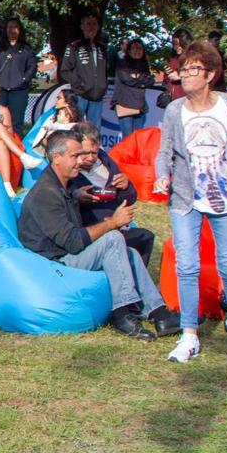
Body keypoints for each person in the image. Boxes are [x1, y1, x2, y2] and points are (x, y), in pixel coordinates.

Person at [154, 39, 227, 362]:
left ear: (210, 75)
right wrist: (162, 175)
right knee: (187, 265)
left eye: (193, 69)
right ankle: (189, 335)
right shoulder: (175, 110)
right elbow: (165, 150)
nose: (186, 75)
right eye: (184, 69)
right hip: (185, 197)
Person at [19, 130, 173, 341]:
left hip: (65, 254)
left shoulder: (61, 185)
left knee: (130, 252)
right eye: (75, 156)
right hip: (54, 264)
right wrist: (112, 223)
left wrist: (78, 197)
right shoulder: (46, 193)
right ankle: (122, 312)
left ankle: (159, 313)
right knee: (113, 239)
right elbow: (73, 242)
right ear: (56, 158)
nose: (80, 161)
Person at [66, 122, 166, 280]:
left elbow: (130, 198)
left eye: (94, 152)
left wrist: (126, 187)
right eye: (85, 153)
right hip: (92, 229)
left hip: (117, 224)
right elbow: (62, 200)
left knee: (145, 236)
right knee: (119, 240)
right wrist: (77, 196)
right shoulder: (69, 169)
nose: (90, 158)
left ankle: (135, 281)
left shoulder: (105, 162)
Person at [60, 13, 113, 127]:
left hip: (97, 96)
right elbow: (65, 71)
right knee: (75, 127)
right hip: (80, 95)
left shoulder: (102, 48)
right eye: (88, 24)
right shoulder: (74, 46)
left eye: (94, 24)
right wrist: (79, 83)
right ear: (82, 26)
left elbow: (106, 70)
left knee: (94, 130)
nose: (91, 27)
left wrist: (103, 85)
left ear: (98, 27)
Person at [0, 19, 37, 137]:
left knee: (16, 122)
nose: (12, 30)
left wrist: (24, 79)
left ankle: (16, 145)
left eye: (15, 27)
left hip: (19, 91)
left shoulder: (26, 48)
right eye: (10, 27)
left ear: (20, 30)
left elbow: (32, 67)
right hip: (1, 90)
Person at [112, 39, 160, 137]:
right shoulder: (122, 64)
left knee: (138, 138)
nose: (137, 51)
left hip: (140, 106)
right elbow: (127, 79)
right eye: (134, 48)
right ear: (129, 50)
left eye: (140, 48)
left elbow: (150, 81)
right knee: (128, 139)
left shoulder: (144, 65)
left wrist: (137, 79)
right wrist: (141, 82)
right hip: (125, 104)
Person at [31, 89, 84, 154]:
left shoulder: (76, 117)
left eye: (59, 98)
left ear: (67, 101)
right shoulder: (53, 117)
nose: (56, 100)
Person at [160, 28, 191, 103]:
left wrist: (180, 77)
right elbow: (166, 81)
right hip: (172, 99)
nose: (177, 47)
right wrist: (167, 74)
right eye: (174, 45)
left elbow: (196, 77)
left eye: (180, 45)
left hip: (186, 98)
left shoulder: (192, 58)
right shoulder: (172, 58)